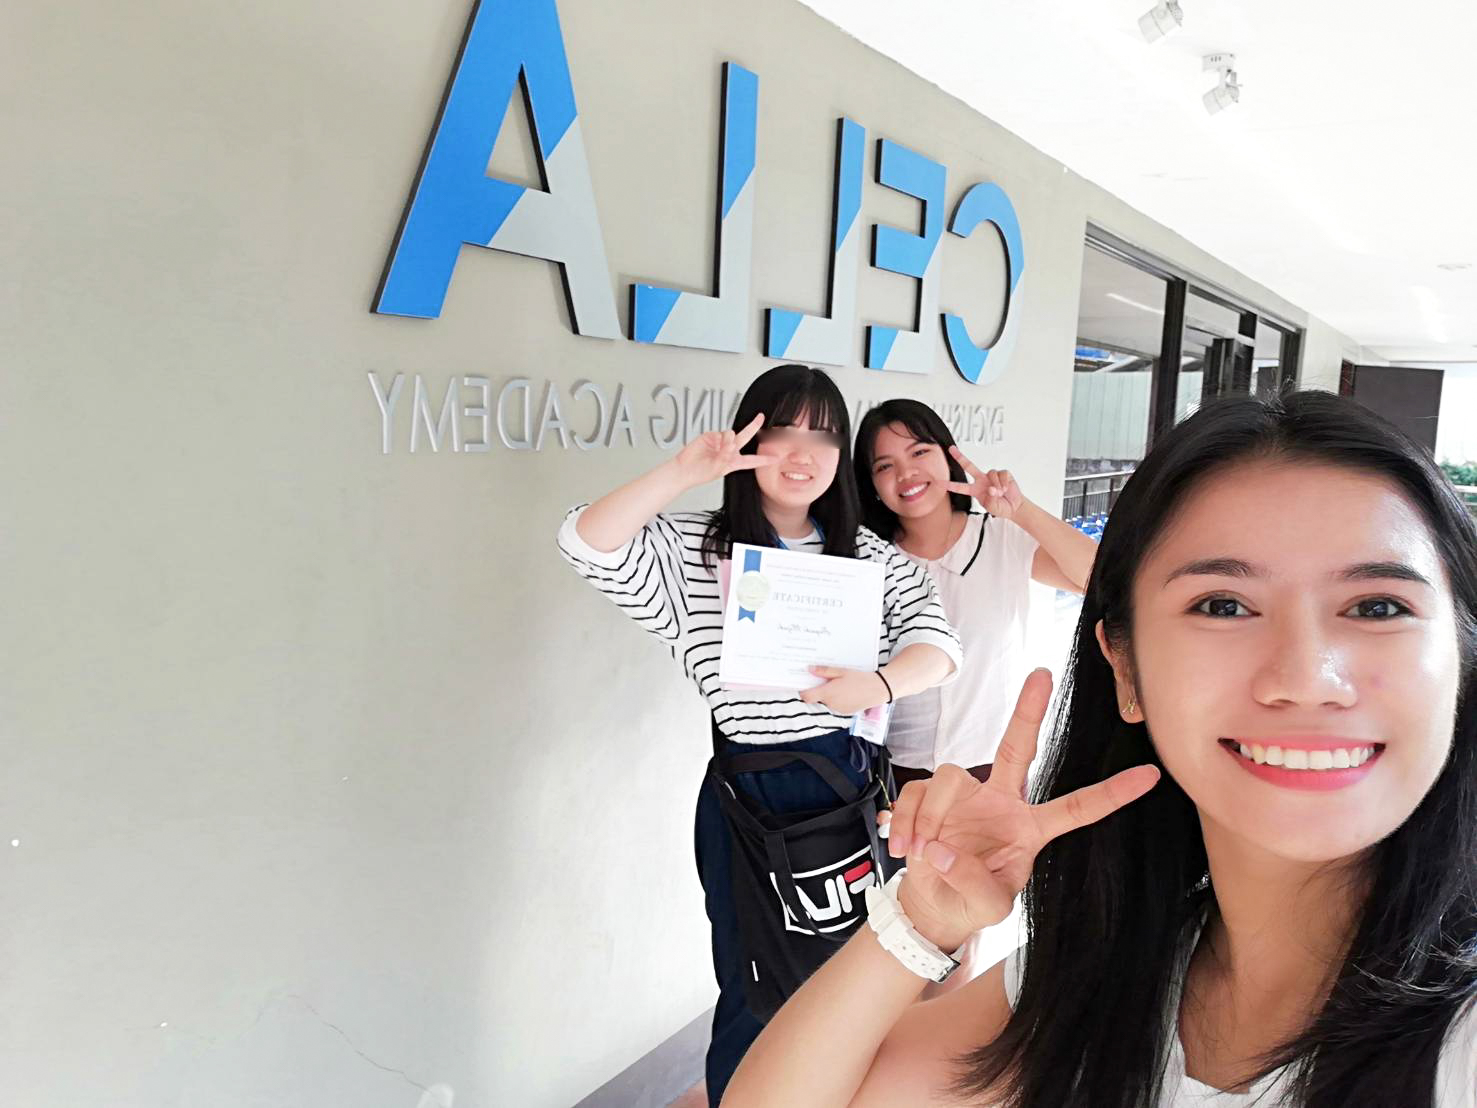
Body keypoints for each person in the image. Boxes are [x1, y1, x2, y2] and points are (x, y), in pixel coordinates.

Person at [723, 390, 1477, 1108]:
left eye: (1378, 607)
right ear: (1126, 670)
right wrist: (919, 919)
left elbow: (1091, 577)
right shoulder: (1099, 979)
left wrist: (1017, 509)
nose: (1306, 679)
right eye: (1223, 605)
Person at [556, 364, 962, 1105]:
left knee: (855, 977)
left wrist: (877, 684)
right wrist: (683, 472)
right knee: (756, 983)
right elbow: (586, 542)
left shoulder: (870, 558)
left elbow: (938, 647)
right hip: (750, 796)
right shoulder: (697, 549)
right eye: (781, 433)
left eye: (823, 437)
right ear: (749, 441)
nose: (802, 454)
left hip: (850, 789)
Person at [854, 399, 1098, 790]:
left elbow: (1100, 578)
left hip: (991, 773)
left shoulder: (1001, 538)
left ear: (947, 456)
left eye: (919, 452)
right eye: (885, 466)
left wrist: (1020, 510)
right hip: (894, 776)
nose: (905, 473)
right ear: (872, 485)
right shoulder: (868, 557)